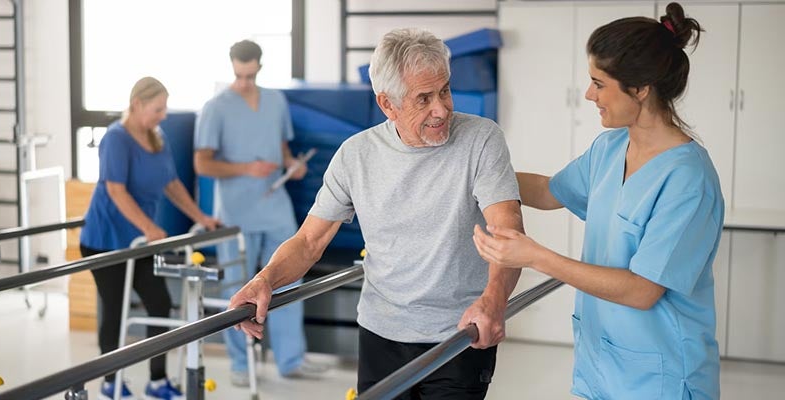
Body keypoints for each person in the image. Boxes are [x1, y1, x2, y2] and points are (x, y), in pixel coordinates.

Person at [229, 28, 524, 399]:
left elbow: (507, 230)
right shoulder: (356, 156)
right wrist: (266, 280)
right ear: (387, 104)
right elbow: (309, 241)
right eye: (424, 98)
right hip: (381, 335)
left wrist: (494, 299)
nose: (442, 108)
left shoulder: (481, 139)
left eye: (445, 90)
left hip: (459, 335)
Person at [473, 3, 721, 399]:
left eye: (599, 83)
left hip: (661, 376)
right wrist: (473, 178)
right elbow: (548, 190)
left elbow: (643, 290)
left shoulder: (688, 179)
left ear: (640, 89)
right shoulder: (609, 148)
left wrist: (534, 256)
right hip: (601, 365)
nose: (589, 94)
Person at [193, 39, 325, 386]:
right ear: (232, 66)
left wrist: (292, 166)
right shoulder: (215, 107)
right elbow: (202, 163)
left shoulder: (275, 101)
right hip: (236, 211)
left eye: (251, 75)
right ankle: (240, 363)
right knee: (238, 289)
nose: (245, 82)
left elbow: (281, 150)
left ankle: (291, 359)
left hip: (275, 206)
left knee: (288, 279)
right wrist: (245, 169)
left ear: (260, 68)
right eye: (239, 75)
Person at [80, 76, 219, 400]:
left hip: (139, 243)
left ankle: (157, 380)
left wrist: (201, 217)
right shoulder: (116, 139)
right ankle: (110, 381)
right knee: (114, 310)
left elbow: (171, 183)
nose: (164, 115)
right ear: (137, 104)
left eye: (165, 108)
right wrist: (149, 227)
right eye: (158, 108)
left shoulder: (157, 137)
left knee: (159, 302)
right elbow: (116, 190)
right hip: (106, 239)